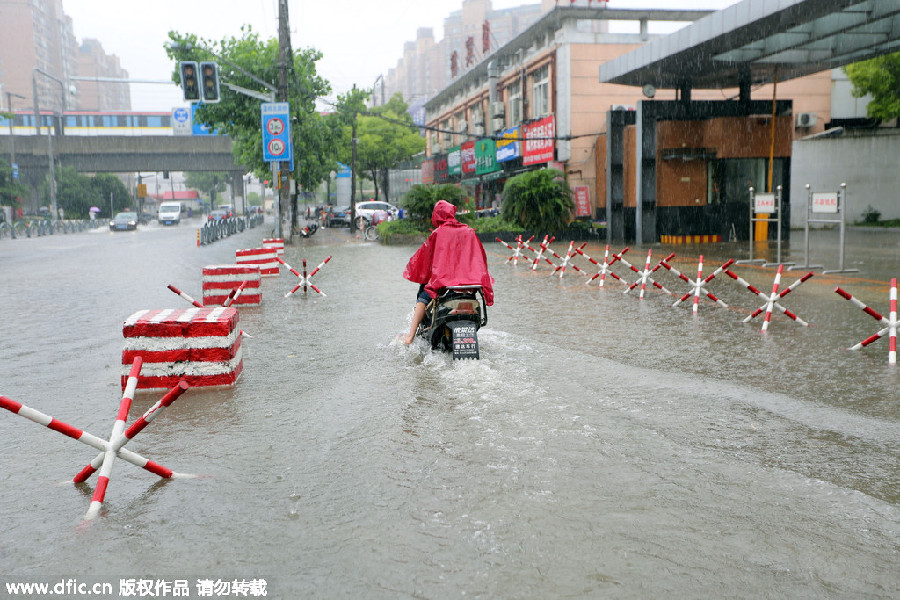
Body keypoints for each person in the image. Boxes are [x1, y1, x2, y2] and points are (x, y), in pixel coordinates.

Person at [402, 199, 494, 344]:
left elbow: (424, 259)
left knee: (422, 298)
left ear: (436, 215)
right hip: (469, 287)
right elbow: (479, 259)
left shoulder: (438, 234)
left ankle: (410, 337)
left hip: (444, 285)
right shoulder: (469, 231)